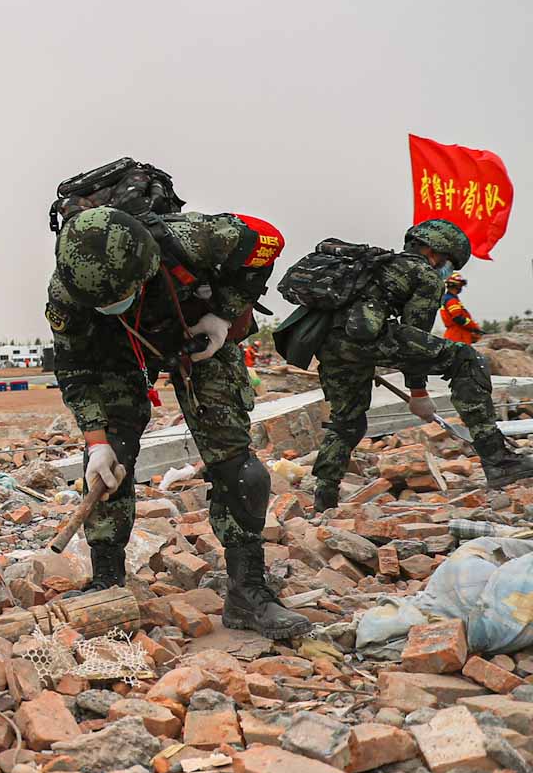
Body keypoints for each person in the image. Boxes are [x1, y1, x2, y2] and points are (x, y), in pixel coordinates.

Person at [47, 206, 309, 640]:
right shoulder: (68, 294)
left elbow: (267, 241)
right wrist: (96, 443)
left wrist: (224, 315)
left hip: (199, 331)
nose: (114, 303)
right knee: (108, 467)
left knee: (239, 468)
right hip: (117, 353)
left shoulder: (194, 237)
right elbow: (75, 370)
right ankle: (106, 584)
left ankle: (248, 591)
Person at [311, 220, 533, 507]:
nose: (447, 271)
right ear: (435, 250)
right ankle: (498, 460)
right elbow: (415, 338)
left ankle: (324, 494)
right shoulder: (424, 275)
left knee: (347, 420)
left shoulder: (377, 265)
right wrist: (418, 393)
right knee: (468, 359)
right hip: (366, 338)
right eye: (449, 263)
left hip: (331, 344)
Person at [440, 272, 481, 344]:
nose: (461, 288)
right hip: (457, 336)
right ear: (456, 286)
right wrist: (474, 327)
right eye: (461, 285)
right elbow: (458, 318)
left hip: (457, 335)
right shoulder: (452, 300)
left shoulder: (449, 299)